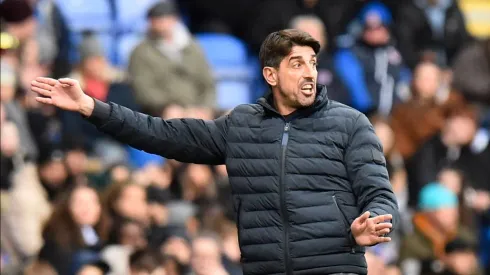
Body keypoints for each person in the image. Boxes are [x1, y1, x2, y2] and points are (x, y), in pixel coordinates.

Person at [30, 29, 399, 275]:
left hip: (333, 268)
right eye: (296, 64)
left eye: (313, 63)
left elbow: (380, 195)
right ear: (270, 76)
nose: (309, 73)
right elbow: (160, 134)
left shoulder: (350, 123)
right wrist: (91, 107)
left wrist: (373, 224)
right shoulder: (240, 124)